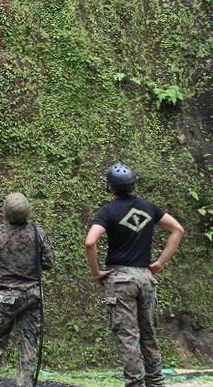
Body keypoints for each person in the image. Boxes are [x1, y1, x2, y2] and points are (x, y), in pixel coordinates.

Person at [85, 163, 185, 387]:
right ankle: (156, 382)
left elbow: (90, 241)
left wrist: (96, 272)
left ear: (110, 187)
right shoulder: (149, 208)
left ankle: (135, 384)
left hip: (120, 279)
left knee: (128, 337)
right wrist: (160, 262)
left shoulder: (108, 211)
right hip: (145, 278)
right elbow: (177, 229)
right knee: (148, 333)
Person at [0, 192, 55, 387]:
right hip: (32, 296)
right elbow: (49, 262)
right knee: (29, 343)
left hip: (6, 297)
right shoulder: (38, 233)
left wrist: (6, 269)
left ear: (6, 212)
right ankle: (24, 384)